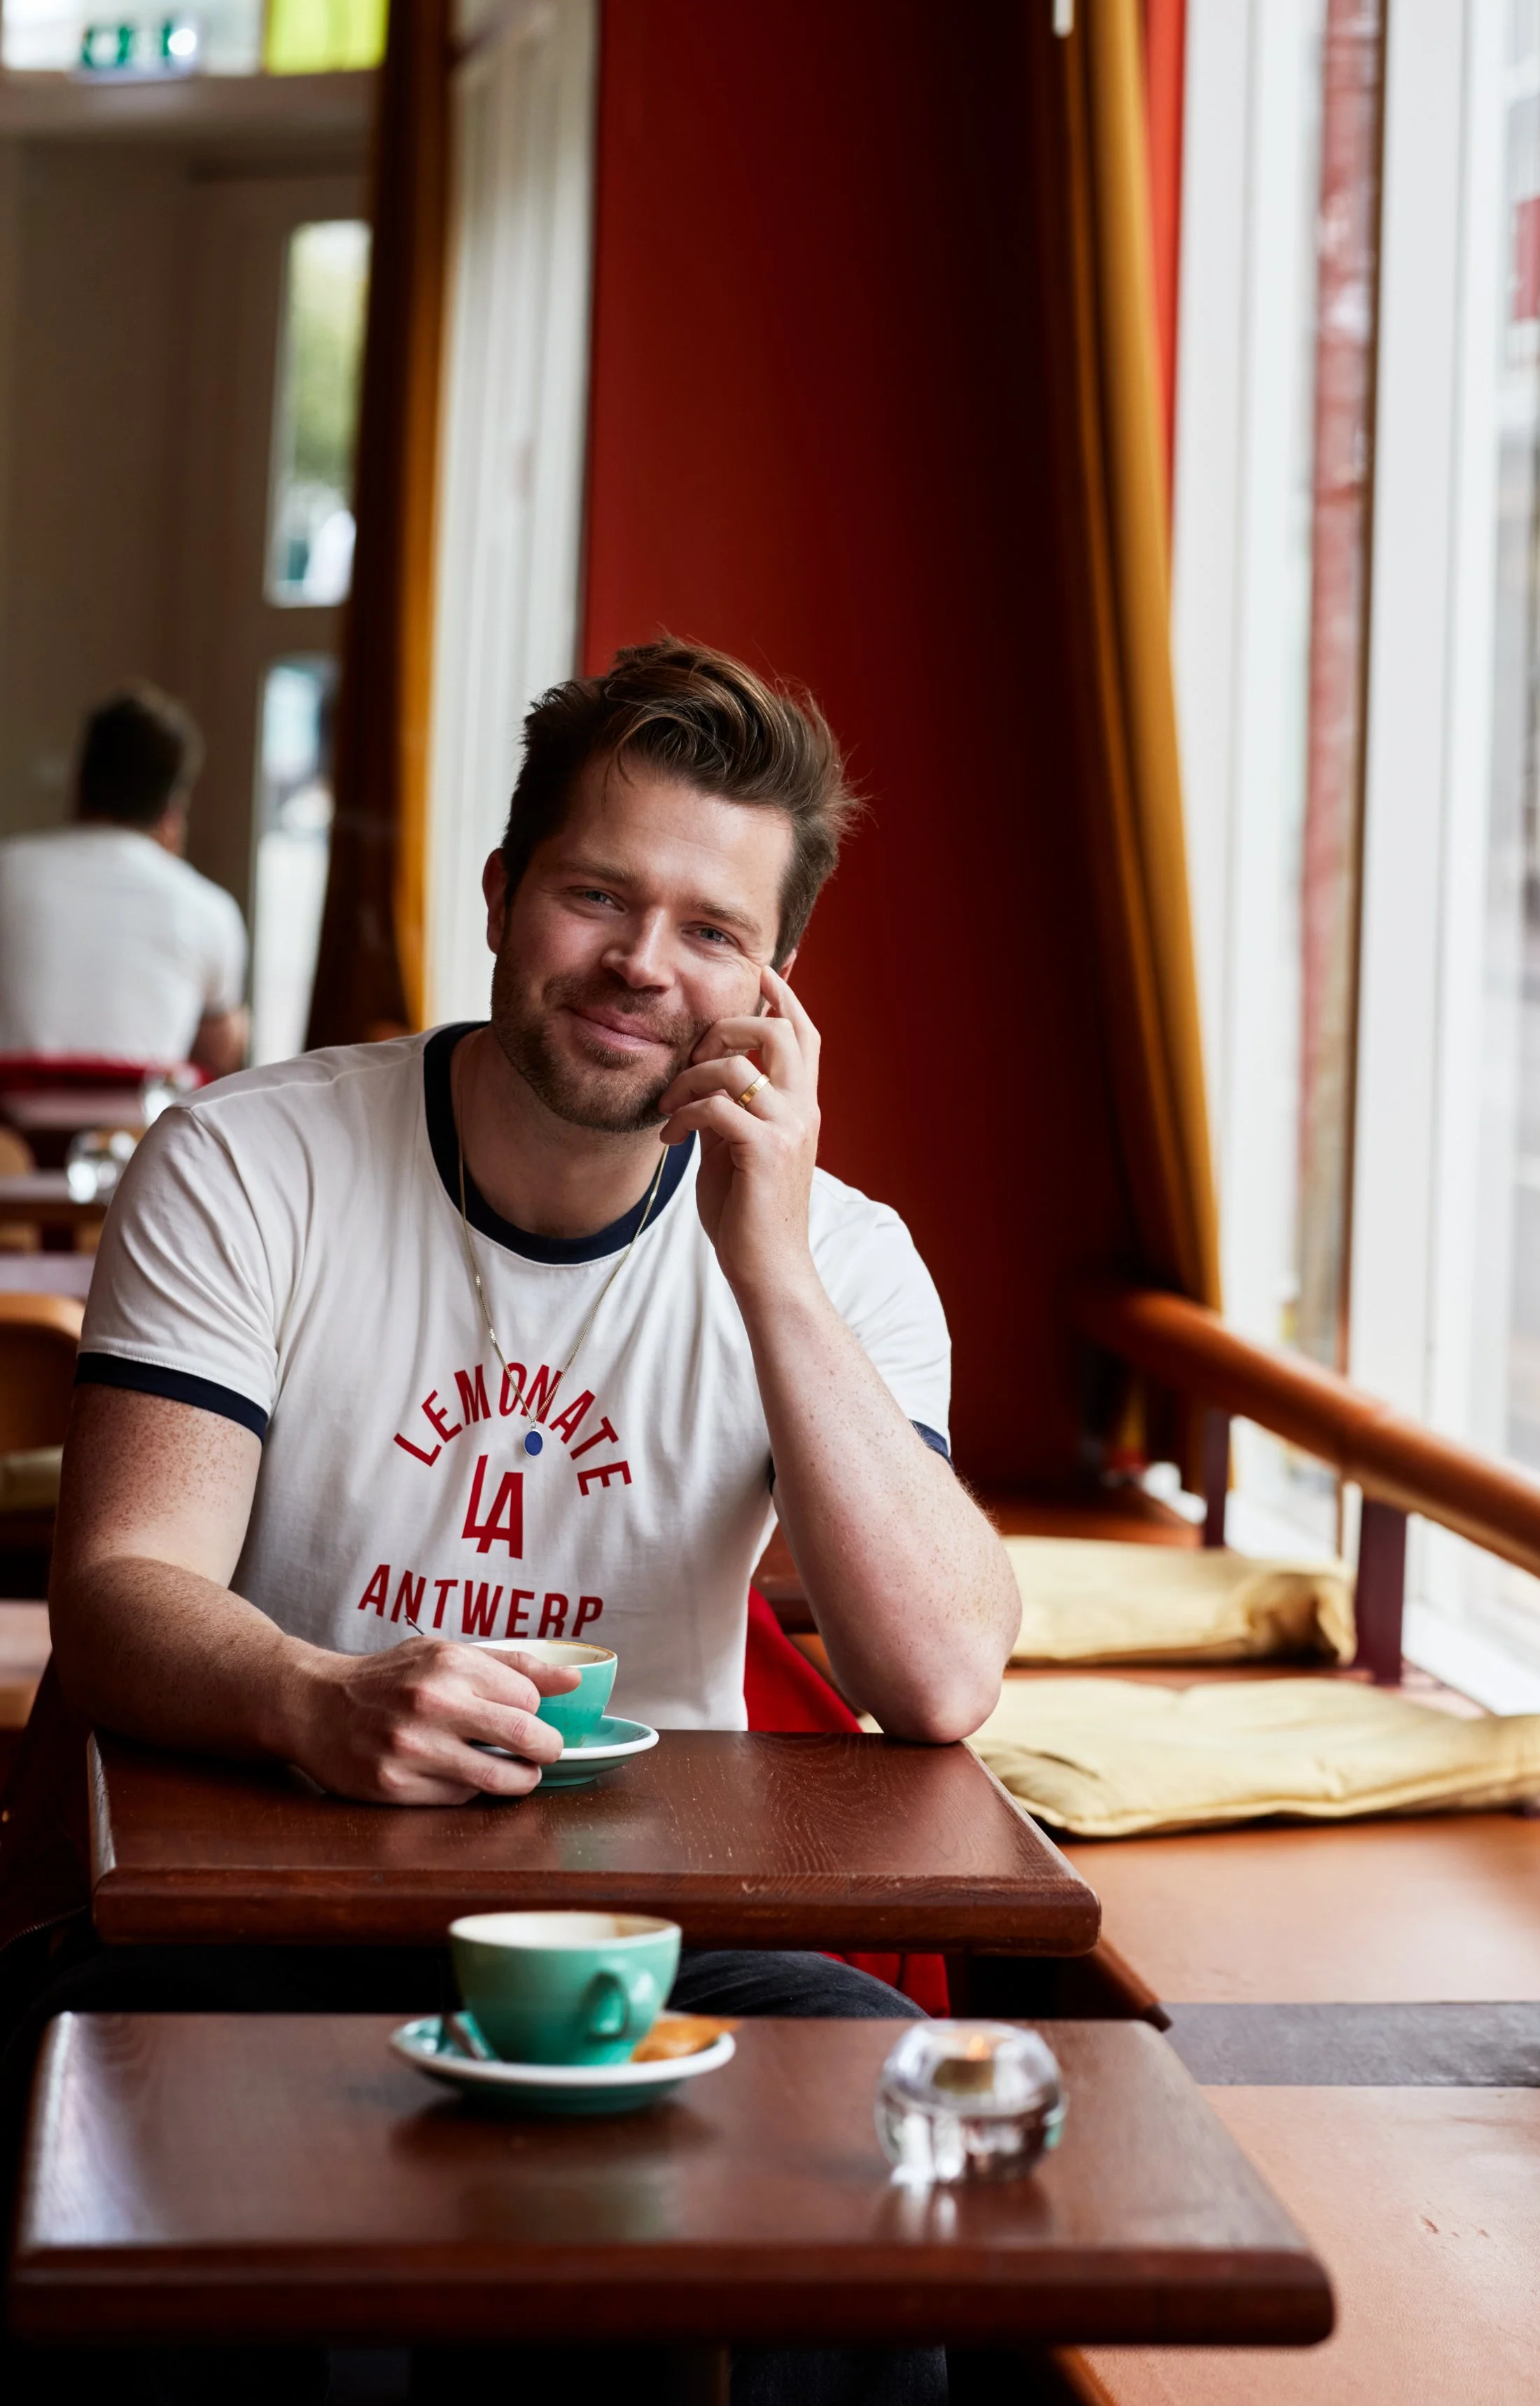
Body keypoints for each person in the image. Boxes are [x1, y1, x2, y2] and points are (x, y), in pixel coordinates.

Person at [30, 641, 1018, 2403]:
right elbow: (117, 1590)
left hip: (668, 1937)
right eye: (595, 894)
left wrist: (767, 1260)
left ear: (772, 992)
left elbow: (939, 1678)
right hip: (264, 1904)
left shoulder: (843, 1257)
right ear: (501, 895)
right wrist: (312, 1697)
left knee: (878, 2136)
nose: (644, 963)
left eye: (712, 932)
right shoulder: (252, 1161)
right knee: (163, 2176)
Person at [0, 685, 248, 1077]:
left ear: (78, 782)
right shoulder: (209, 908)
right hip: (140, 1134)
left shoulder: (7, 869)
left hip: (12, 1133)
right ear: (173, 809)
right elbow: (220, 1059)